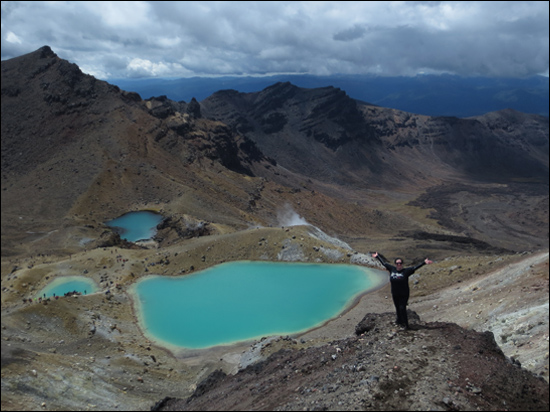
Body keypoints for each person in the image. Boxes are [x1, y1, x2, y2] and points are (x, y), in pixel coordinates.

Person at [372, 252, 433, 329]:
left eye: (400, 263)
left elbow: (415, 268)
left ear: (402, 264)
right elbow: (384, 263)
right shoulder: (392, 269)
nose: (399, 265)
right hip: (395, 293)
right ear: (395, 264)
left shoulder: (406, 271)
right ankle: (399, 321)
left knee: (402, 308)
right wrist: (377, 256)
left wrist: (424, 263)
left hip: (404, 294)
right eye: (397, 263)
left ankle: (406, 325)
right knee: (397, 307)